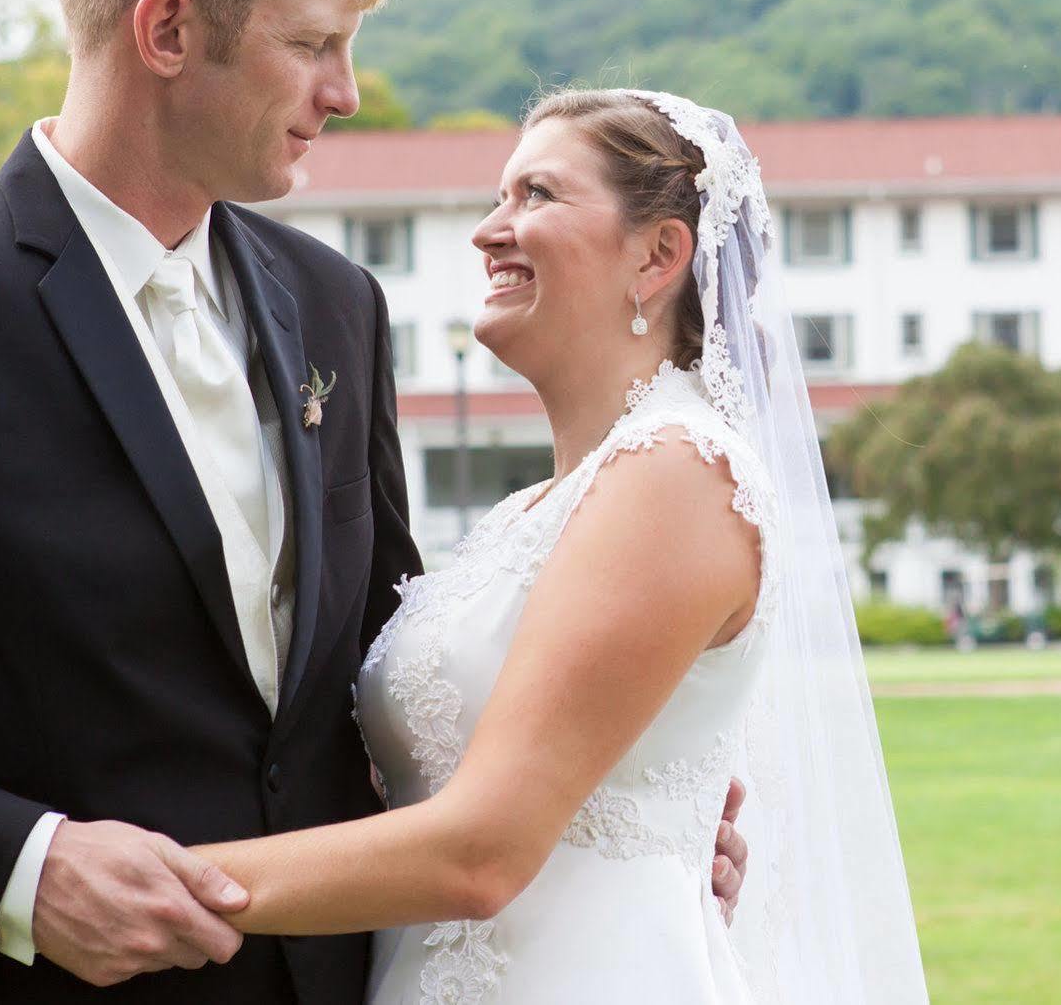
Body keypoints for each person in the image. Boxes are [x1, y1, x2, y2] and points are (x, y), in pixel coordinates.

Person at [0, 0, 748, 1002]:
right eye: (313, 43)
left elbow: (385, 682)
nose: (348, 92)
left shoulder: (334, 307)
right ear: (167, 31)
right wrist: (23, 870)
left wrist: (615, 802)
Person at [192, 87, 928, 1002]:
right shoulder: (530, 511)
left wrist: (161, 884)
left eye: (536, 196)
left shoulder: (676, 472)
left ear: (658, 255)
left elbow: (482, 852)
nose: (489, 231)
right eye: (502, 197)